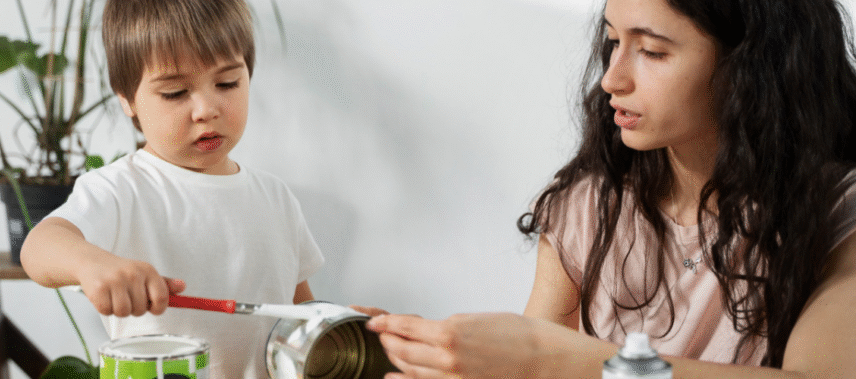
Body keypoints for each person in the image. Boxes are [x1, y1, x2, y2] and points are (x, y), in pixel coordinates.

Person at [366, 0, 856, 377]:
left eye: (652, 51)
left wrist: (553, 359)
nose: (611, 79)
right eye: (612, 42)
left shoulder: (837, 214)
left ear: (752, 66)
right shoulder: (587, 208)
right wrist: (411, 348)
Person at [19, 0, 325, 377]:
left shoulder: (275, 198)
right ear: (127, 99)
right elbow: (38, 248)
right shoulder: (118, 189)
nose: (206, 109)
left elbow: (301, 318)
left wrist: (347, 328)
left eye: (227, 83)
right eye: (176, 92)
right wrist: (90, 263)